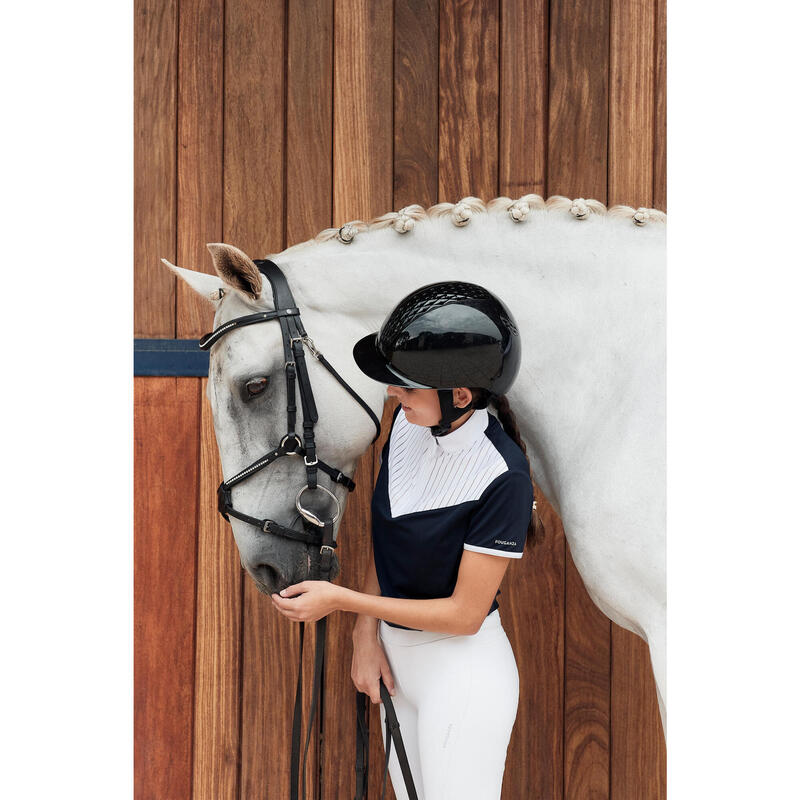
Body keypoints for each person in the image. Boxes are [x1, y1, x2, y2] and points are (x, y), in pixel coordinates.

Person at [271, 281, 540, 800]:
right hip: (398, 665)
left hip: (461, 675)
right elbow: (390, 541)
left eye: (407, 386)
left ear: (459, 395)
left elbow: (464, 615)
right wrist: (366, 637)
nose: (393, 394)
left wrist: (342, 602)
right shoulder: (406, 427)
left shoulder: (503, 477)